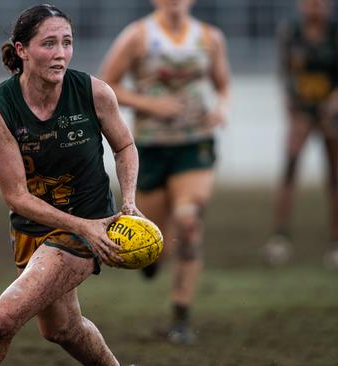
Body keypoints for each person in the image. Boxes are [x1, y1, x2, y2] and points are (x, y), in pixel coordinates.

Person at [0, 4, 142, 365]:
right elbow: (16, 196)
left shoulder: (94, 92)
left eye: (67, 42)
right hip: (33, 228)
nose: (60, 54)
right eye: (49, 43)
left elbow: (126, 146)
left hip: (89, 226)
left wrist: (127, 203)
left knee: (0, 322)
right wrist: (82, 226)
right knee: (62, 329)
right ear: (21, 50)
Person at [100, 0, 231, 344]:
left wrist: (221, 108)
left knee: (188, 223)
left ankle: (181, 318)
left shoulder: (210, 38)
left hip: (194, 145)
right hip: (150, 149)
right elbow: (106, 85)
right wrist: (151, 105)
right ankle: (154, 260)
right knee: (153, 241)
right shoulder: (138, 36)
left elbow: (223, 84)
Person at [262, 0, 338, 268]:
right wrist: (292, 108)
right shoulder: (290, 32)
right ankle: (279, 237)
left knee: (334, 176)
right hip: (302, 109)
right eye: (310, 2)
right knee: (289, 168)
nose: (315, 7)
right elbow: (284, 72)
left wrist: (336, 102)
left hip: (332, 111)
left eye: (320, 3)